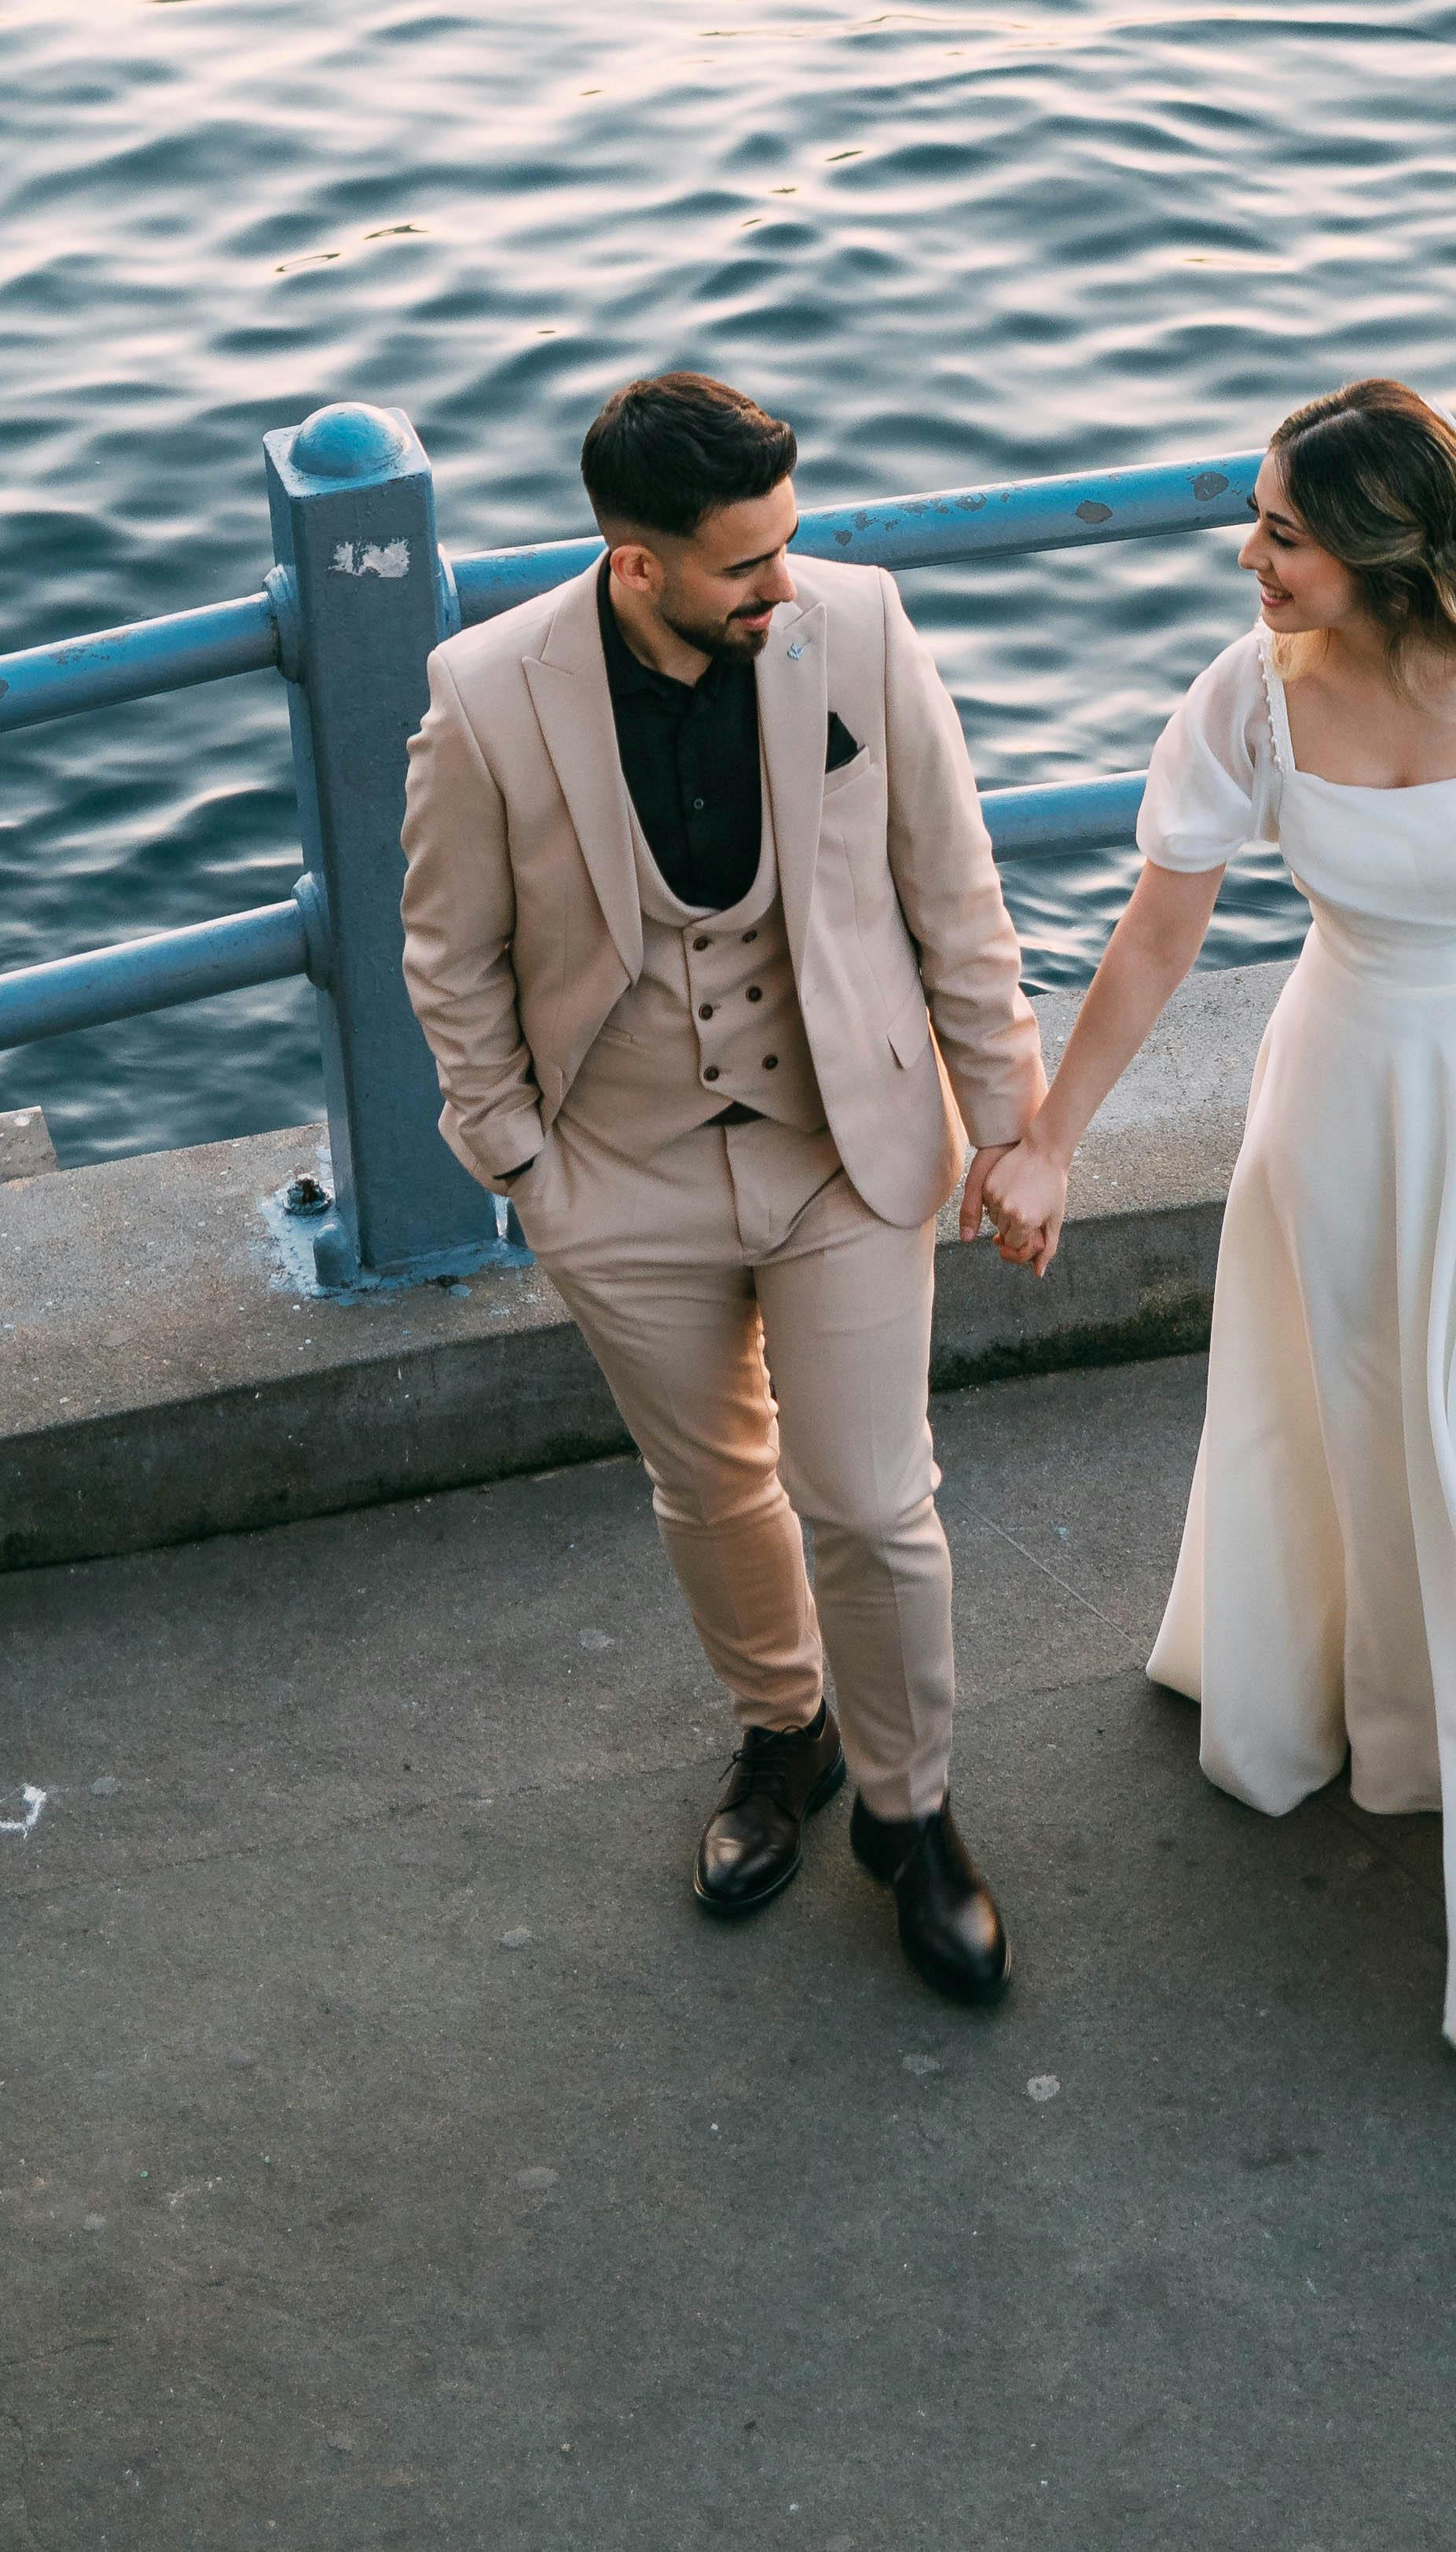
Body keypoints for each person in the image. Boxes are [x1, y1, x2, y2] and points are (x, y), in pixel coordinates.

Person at [970, 379, 1456, 2056]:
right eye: (1256, 519)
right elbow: (1152, 942)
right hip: (1342, 1082)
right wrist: (1049, 1138)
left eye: (1285, 531)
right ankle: (1396, 1719)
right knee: (1359, 1409)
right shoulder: (1248, 698)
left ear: (1387, 552)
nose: (1248, 554)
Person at [400, 372, 1043, 2007]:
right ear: (637, 563)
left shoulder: (863, 628)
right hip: (620, 1173)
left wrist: (1013, 1127)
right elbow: (449, 953)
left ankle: (913, 1811)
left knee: (877, 1505)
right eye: (747, 561)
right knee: (710, 1489)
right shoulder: (483, 695)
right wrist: (524, 1165)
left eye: (790, 541)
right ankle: (785, 1736)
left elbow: (953, 896)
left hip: (848, 1148)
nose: (783, 581)